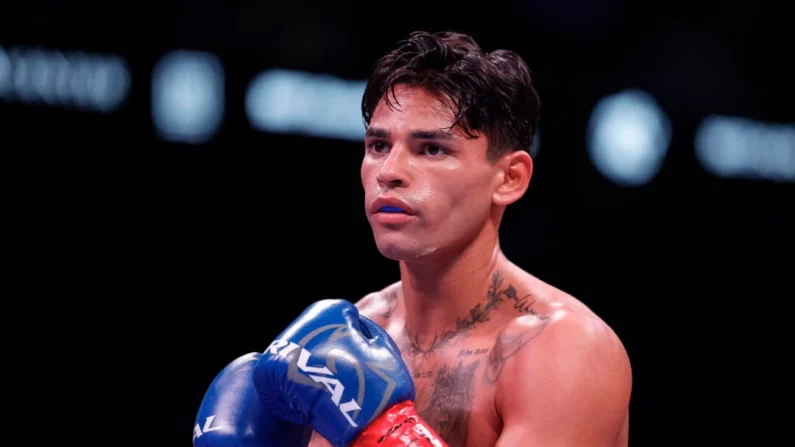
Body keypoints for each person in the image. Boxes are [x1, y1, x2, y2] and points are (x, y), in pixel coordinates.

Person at [193, 30, 632, 447]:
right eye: (378, 146)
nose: (389, 172)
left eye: (432, 149)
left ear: (510, 178)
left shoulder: (562, 349)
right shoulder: (353, 335)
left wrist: (387, 432)